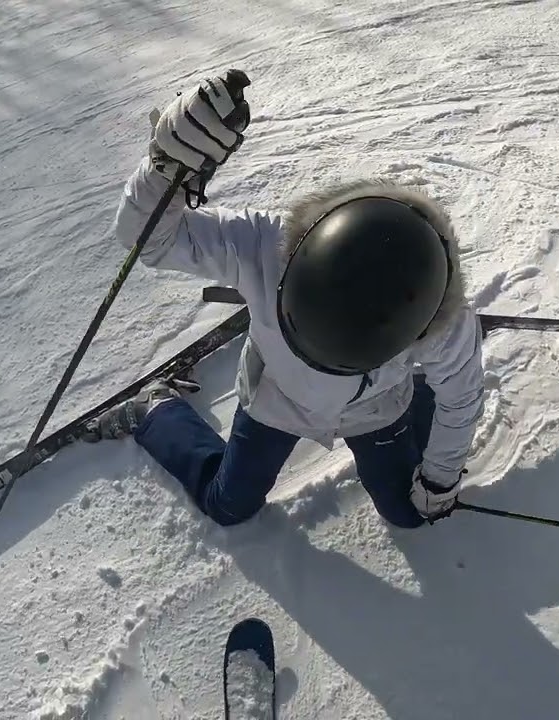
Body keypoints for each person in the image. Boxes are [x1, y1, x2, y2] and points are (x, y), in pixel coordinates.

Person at [82, 70, 485, 529]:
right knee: (228, 505)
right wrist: (166, 169)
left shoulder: (440, 321)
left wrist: (439, 480)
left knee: (410, 513)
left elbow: (462, 397)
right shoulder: (267, 246)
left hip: (375, 408)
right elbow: (147, 240)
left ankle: (425, 387)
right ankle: (156, 409)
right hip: (276, 399)